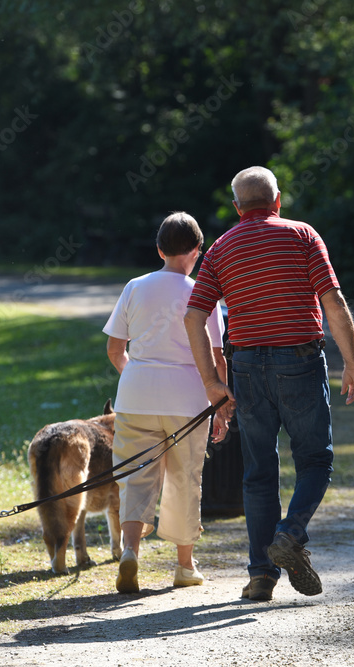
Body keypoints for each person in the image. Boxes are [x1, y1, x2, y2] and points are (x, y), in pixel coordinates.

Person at [184, 166, 354, 601]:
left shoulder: (222, 247)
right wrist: (352, 362)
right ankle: (290, 533)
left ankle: (261, 576)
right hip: (299, 361)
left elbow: (193, 316)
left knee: (259, 473)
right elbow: (333, 301)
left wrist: (211, 380)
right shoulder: (303, 235)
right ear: (278, 200)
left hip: (245, 367)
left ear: (237, 207)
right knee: (315, 461)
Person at [103, 211, 227, 593]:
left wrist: (135, 376)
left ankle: (130, 551)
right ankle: (184, 565)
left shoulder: (135, 286)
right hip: (188, 402)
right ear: (198, 251)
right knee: (184, 478)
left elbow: (114, 348)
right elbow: (218, 355)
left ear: (159, 249)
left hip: (136, 396)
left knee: (134, 477)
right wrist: (221, 406)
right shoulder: (202, 290)